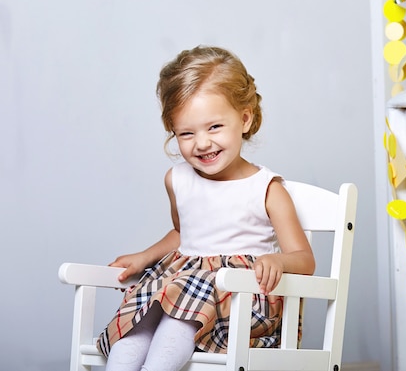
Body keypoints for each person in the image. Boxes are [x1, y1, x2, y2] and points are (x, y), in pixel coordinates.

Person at [97, 45, 316, 371]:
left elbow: (305, 260)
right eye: (186, 133)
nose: (201, 143)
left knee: (177, 310)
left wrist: (277, 260)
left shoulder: (267, 189)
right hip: (183, 286)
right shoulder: (177, 180)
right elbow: (183, 234)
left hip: (240, 301)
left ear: (244, 118)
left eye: (214, 127)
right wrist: (145, 256)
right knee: (140, 321)